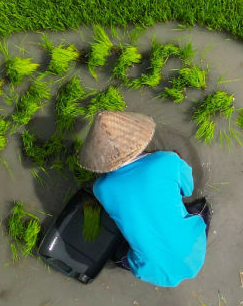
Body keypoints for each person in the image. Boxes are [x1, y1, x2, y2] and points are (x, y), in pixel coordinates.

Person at [78, 110, 210, 287]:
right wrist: (173, 161)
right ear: (136, 138)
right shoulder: (167, 160)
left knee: (119, 252)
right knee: (202, 207)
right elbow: (188, 190)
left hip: (150, 271)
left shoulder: (101, 188)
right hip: (193, 252)